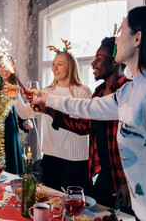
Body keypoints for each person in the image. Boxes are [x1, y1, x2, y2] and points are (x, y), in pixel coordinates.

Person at [28, 5, 146, 220]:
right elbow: (88, 108)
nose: (117, 39)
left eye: (121, 31)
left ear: (138, 38)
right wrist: (46, 98)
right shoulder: (131, 90)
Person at [39, 37, 132, 211]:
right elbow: (84, 126)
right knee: (88, 213)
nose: (93, 63)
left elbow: (145, 145)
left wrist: (132, 182)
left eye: (99, 59)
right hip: (106, 177)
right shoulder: (98, 92)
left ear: (115, 61)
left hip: (127, 181)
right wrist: (49, 111)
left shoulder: (130, 91)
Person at [14, 50, 92, 192]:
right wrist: (16, 96)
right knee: (49, 204)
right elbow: (26, 113)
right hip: (50, 159)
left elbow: (81, 126)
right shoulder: (45, 91)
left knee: (73, 208)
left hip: (75, 162)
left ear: (71, 67)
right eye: (53, 64)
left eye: (60, 64)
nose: (54, 68)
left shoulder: (82, 92)